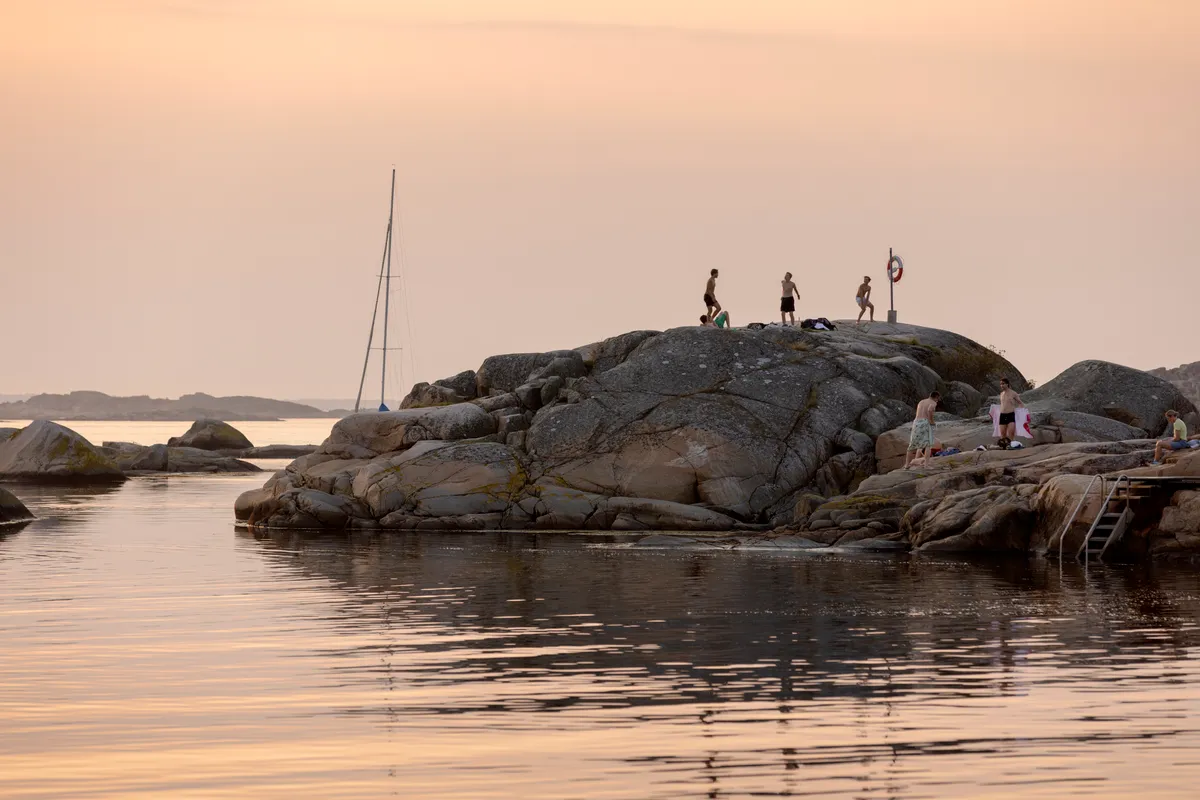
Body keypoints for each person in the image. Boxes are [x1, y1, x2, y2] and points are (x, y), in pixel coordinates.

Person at [904, 391, 941, 469]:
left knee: (912, 445)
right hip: (925, 422)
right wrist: (932, 422)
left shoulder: (921, 401)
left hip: (916, 422)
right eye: (938, 398)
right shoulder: (933, 403)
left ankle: (907, 465)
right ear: (936, 397)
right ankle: (926, 465)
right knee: (928, 444)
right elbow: (930, 410)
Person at [996, 377, 1025, 448]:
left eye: (1003, 384)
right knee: (1002, 434)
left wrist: (1020, 411)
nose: (1001, 385)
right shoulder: (1001, 394)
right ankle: (1004, 447)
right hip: (1002, 415)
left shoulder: (1013, 393)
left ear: (1007, 384)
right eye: (1000, 384)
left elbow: (1020, 403)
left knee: (1011, 433)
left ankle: (1012, 445)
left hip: (1011, 415)